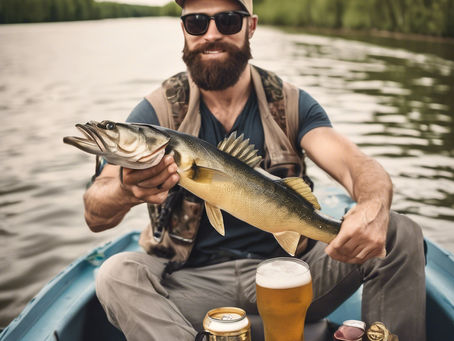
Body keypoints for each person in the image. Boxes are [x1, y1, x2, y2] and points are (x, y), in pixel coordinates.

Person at [84, 0, 426, 340]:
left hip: (293, 276)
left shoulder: (292, 103)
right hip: (191, 284)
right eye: (198, 23)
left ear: (251, 26)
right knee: (116, 273)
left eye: (229, 21)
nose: (212, 34)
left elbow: (358, 167)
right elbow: (96, 212)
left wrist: (372, 207)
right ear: (184, 30)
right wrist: (124, 191)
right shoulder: (155, 113)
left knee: (398, 232)